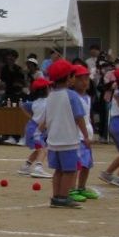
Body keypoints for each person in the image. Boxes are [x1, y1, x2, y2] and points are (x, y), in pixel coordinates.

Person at [41, 61, 90, 209]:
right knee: (70, 170)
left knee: (58, 170)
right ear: (69, 77)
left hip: (53, 140)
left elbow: (46, 118)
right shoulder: (71, 95)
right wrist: (86, 136)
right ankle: (63, 197)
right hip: (68, 139)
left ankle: (56, 196)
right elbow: (79, 117)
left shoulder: (50, 96)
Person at [69, 65, 100, 202]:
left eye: (86, 79)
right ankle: (72, 189)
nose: (85, 82)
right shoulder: (73, 97)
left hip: (87, 133)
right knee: (77, 164)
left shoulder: (87, 97)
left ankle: (82, 187)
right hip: (77, 135)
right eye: (81, 79)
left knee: (87, 164)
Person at [20, 79, 54, 179]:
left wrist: (31, 117)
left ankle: (26, 166)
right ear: (46, 89)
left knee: (39, 149)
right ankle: (38, 168)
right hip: (37, 130)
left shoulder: (35, 103)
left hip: (32, 127)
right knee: (43, 150)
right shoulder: (49, 101)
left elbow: (22, 106)